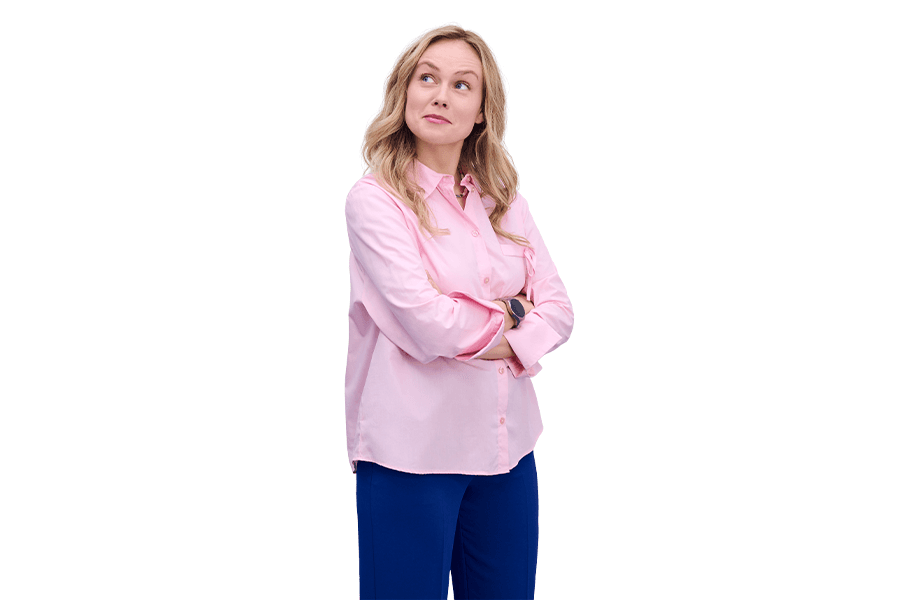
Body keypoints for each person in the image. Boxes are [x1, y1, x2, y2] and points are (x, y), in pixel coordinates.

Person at [344, 25, 574, 600]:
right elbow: (427, 322)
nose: (441, 95)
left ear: (481, 113)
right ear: (405, 92)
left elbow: (559, 310)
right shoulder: (376, 201)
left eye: (462, 85)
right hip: (411, 458)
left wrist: (480, 321)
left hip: (507, 454)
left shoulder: (504, 202)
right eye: (428, 78)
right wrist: (514, 315)